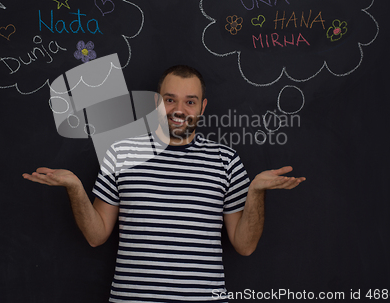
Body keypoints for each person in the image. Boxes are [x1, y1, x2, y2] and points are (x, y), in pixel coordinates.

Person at [23, 65, 305, 302]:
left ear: (202, 107)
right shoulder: (121, 154)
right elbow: (96, 236)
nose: (179, 110)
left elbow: (244, 246)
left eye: (190, 101)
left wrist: (255, 192)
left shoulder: (226, 161)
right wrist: (75, 187)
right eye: (170, 99)